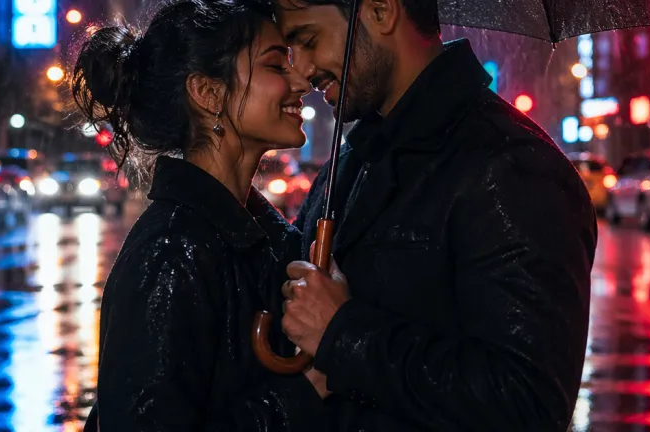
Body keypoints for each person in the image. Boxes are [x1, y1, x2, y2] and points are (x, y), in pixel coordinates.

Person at [265, 0, 598, 430]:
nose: (304, 70)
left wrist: (344, 334)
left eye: (309, 40)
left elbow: (526, 403)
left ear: (381, 11)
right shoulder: (353, 162)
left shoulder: (508, 166)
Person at [71, 1, 327, 430]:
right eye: (275, 66)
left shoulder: (258, 239)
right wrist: (302, 396)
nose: (302, 81)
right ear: (208, 93)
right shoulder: (172, 253)